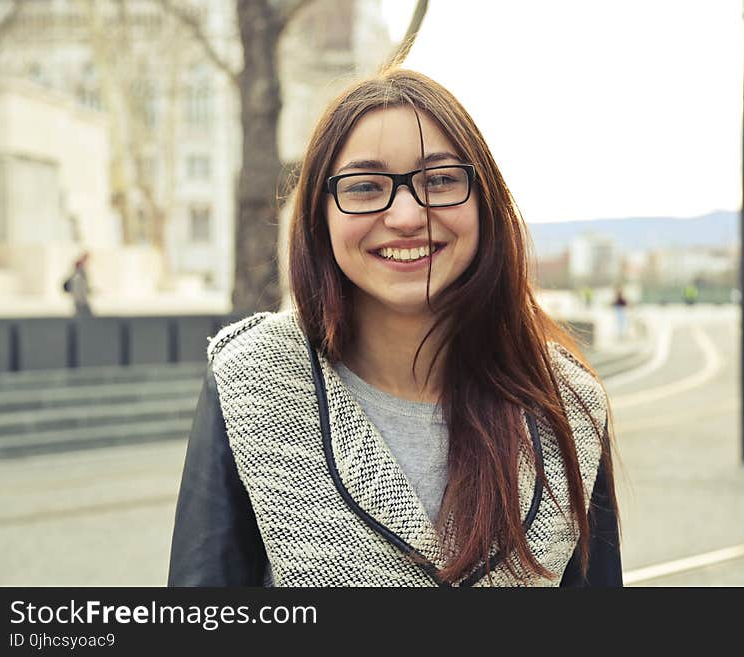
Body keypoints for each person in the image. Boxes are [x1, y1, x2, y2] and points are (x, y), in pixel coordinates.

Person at [168, 69, 621, 587]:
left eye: (441, 180)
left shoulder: (565, 406)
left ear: (486, 202)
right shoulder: (253, 382)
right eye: (364, 187)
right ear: (320, 216)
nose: (407, 215)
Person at [64, 252, 92, 317]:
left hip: (81, 301)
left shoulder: (81, 275)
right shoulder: (78, 276)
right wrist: (81, 300)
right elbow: (79, 290)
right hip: (80, 302)